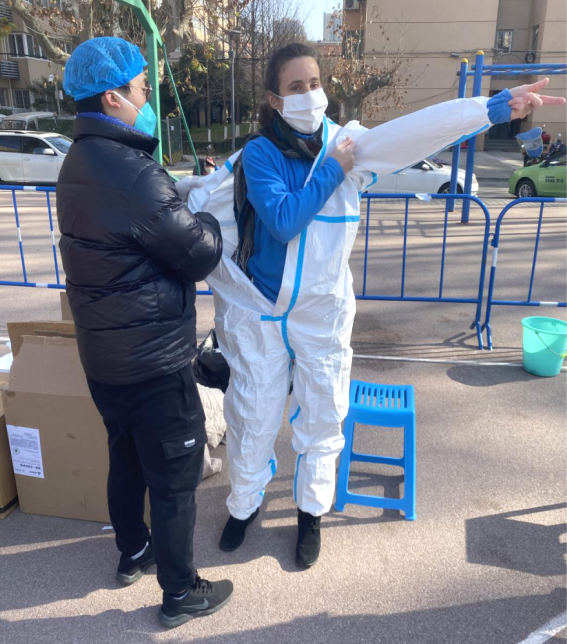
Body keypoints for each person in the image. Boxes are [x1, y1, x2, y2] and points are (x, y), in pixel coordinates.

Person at [185, 43, 565, 568]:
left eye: (314, 83)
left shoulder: (348, 142)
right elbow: (285, 221)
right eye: (295, 87)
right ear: (274, 99)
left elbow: (413, 134)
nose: (309, 95)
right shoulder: (262, 154)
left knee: (323, 413)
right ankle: (244, 505)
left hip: (321, 310)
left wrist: (494, 108)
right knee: (251, 416)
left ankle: (310, 512)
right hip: (261, 312)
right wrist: (333, 170)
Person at [57, 37, 232, 629]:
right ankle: (181, 592)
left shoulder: (78, 161)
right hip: (153, 360)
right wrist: (206, 214)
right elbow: (198, 252)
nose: (147, 100)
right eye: (139, 89)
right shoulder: (133, 173)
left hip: (104, 356)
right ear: (113, 97)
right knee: (176, 476)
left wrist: (169, 193)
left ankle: (133, 550)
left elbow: (131, 229)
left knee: (126, 455)